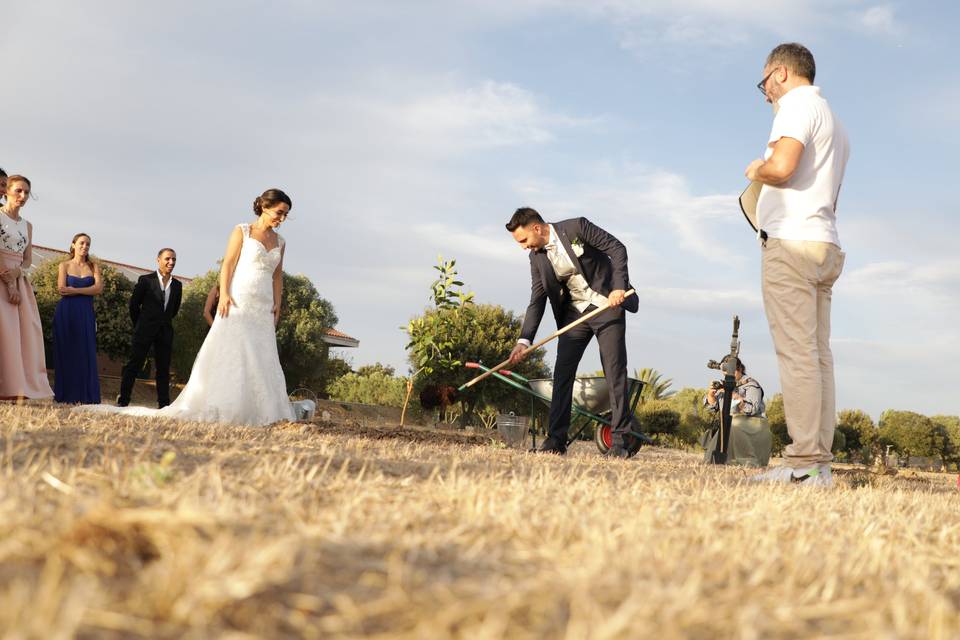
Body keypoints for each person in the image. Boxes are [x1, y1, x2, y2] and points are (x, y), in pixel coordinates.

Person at [82, 188, 296, 426]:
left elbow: (277, 275)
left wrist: (278, 302)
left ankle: (265, 410)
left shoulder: (281, 241)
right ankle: (227, 405)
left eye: (286, 215)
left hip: (263, 303)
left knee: (262, 352)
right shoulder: (242, 231)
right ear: (265, 207)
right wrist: (224, 293)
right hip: (240, 297)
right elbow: (228, 265)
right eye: (279, 212)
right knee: (236, 348)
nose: (282, 219)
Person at [744, 43, 849, 487]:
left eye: (764, 82)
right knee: (819, 357)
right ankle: (818, 464)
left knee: (798, 357)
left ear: (781, 73)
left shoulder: (795, 106)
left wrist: (757, 169)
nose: (765, 92)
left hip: (792, 243)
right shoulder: (835, 122)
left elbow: (783, 167)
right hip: (825, 244)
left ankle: (803, 464)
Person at [505, 208, 641, 457]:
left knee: (614, 370)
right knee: (562, 373)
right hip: (575, 315)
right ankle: (556, 441)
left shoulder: (577, 227)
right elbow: (537, 300)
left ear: (537, 228)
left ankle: (620, 441)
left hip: (607, 305)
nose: (523, 247)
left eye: (523, 241)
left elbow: (617, 249)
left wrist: (619, 288)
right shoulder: (536, 258)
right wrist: (524, 341)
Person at [0, 175, 54, 401]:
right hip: (2, 275)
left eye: (26, 193)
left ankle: (18, 386)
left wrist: (18, 274)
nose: (22, 197)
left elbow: (28, 259)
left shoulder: (27, 225)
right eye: (18, 191)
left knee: (22, 333)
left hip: (19, 278)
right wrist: (9, 282)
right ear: (7, 191)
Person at [116, 248, 183, 408]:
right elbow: (134, 305)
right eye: (167, 259)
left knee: (163, 369)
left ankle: (163, 405)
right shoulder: (145, 280)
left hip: (165, 331)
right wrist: (140, 324)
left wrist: (163, 322)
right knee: (134, 365)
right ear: (158, 260)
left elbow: (174, 310)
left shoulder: (178, 285)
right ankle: (123, 400)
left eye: (174, 259)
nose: (171, 262)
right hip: (144, 329)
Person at [52, 233, 103, 403]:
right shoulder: (64, 265)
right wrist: (81, 290)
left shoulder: (94, 266)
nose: (85, 246)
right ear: (73, 245)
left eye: (88, 244)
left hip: (85, 312)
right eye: (81, 243)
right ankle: (65, 395)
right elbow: (61, 289)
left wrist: (74, 290)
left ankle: (86, 396)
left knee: (85, 352)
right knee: (66, 351)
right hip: (66, 312)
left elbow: (98, 289)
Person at [701, 357, 772, 467]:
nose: (727, 377)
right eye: (725, 374)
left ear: (739, 369)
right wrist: (711, 395)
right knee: (727, 424)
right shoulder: (724, 386)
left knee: (732, 424)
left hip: (753, 425)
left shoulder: (751, 385)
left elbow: (752, 409)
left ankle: (742, 460)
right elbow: (712, 408)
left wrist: (736, 397)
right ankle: (716, 460)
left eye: (730, 373)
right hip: (732, 424)